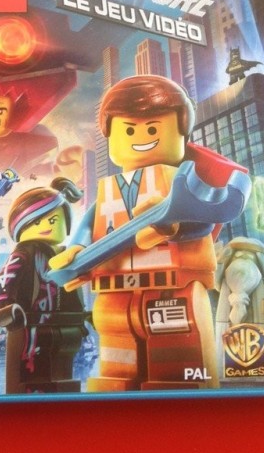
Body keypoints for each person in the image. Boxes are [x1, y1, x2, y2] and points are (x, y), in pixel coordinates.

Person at [49, 75, 251, 391]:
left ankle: (177, 385)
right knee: (116, 346)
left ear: (181, 131)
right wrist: (76, 249)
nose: (141, 137)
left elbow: (203, 222)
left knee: (174, 347)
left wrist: (171, 229)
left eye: (153, 128)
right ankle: (117, 385)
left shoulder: (182, 182)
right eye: (129, 130)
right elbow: (91, 223)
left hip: (172, 286)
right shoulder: (110, 190)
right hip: (115, 289)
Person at [0, 177, 88, 393]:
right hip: (32, 326)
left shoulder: (66, 254)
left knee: (63, 375)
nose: (46, 226)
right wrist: (5, 307)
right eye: (36, 222)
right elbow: (5, 278)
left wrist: (82, 315)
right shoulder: (24, 253)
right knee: (30, 374)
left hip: (66, 323)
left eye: (53, 220)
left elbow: (73, 285)